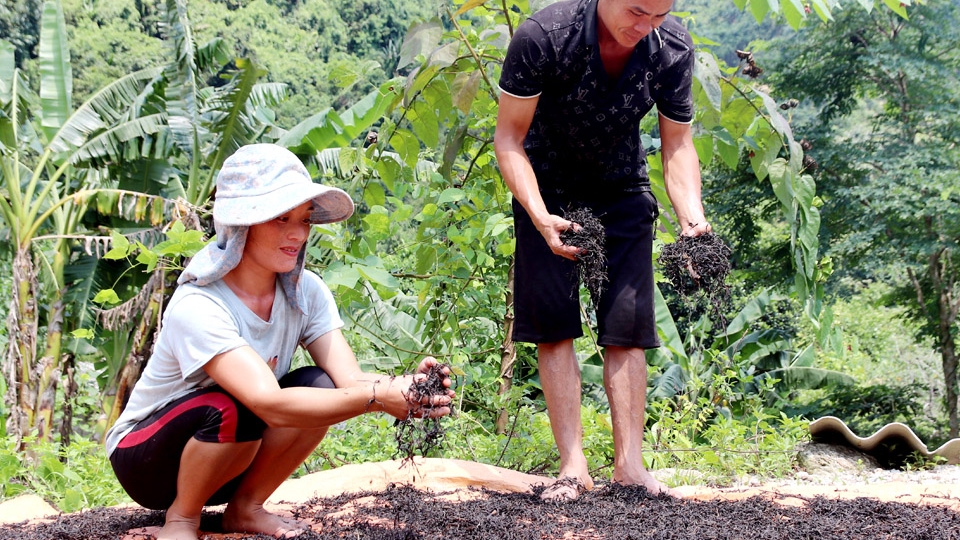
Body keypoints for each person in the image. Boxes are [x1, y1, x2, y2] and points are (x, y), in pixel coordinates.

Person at [104, 143, 454, 540]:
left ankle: (246, 508)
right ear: (241, 224)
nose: (297, 234)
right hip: (147, 460)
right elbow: (267, 402)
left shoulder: (308, 293)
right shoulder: (199, 303)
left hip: (231, 454)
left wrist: (402, 388)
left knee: (320, 386)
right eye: (280, 219)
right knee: (238, 405)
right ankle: (182, 520)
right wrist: (376, 400)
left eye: (304, 219)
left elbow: (350, 380)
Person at [493, 0, 711, 501]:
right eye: (636, 11)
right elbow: (508, 138)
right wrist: (537, 211)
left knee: (628, 325)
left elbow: (676, 143)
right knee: (554, 325)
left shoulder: (670, 47)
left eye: (658, 16)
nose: (645, 27)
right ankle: (572, 467)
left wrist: (692, 221)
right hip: (546, 188)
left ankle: (630, 467)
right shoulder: (544, 36)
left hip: (622, 188)